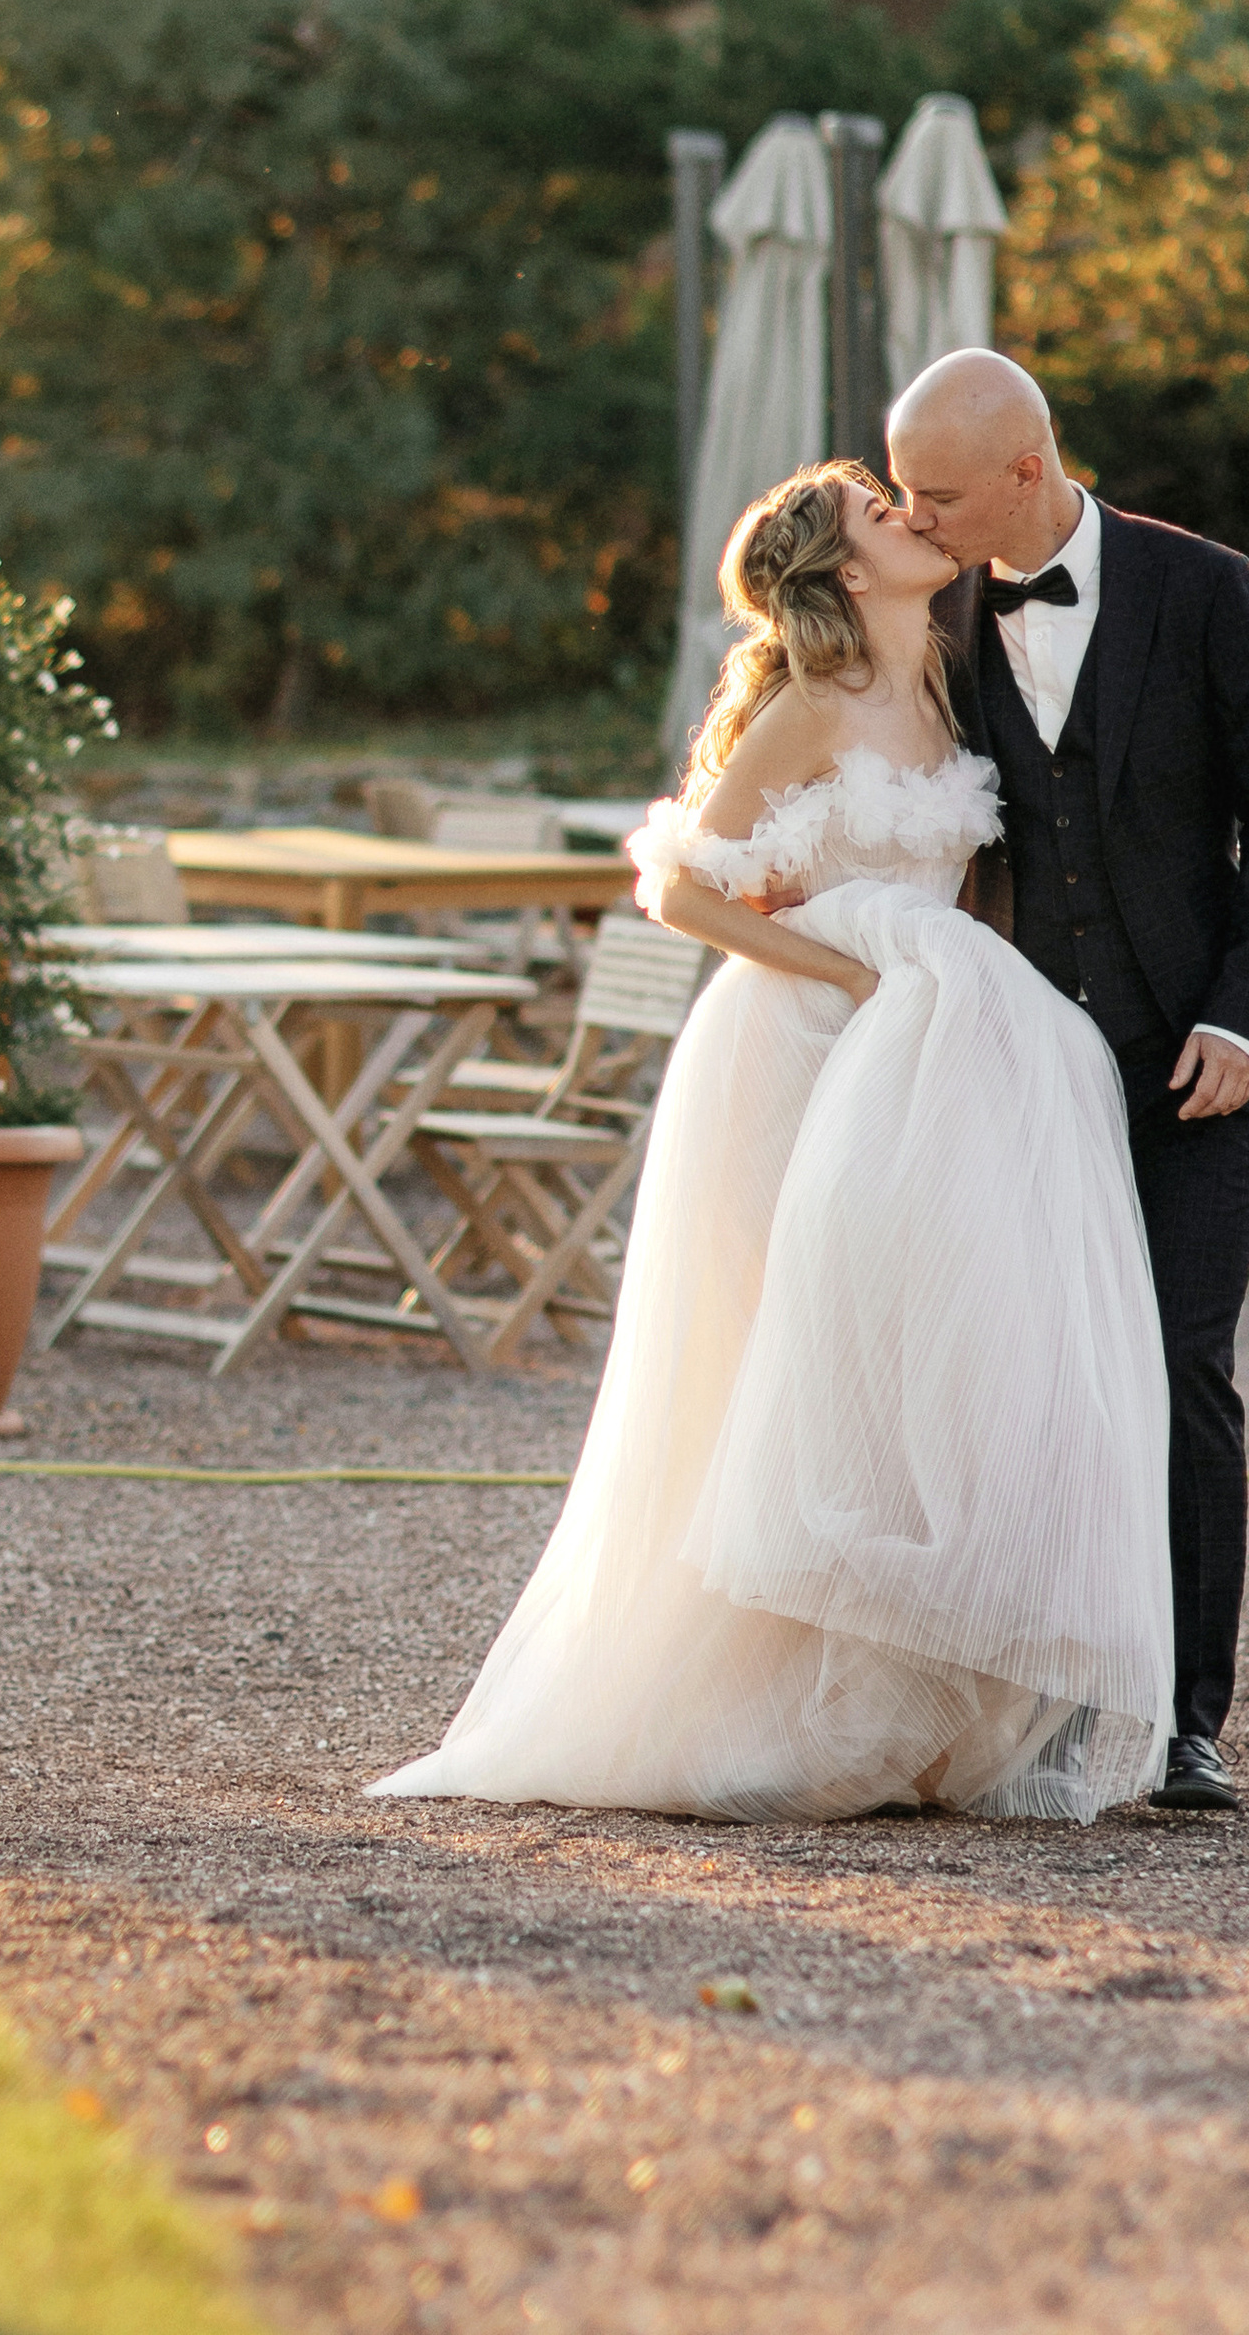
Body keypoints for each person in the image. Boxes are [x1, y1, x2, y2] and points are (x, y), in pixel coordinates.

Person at [372, 460, 1175, 1825]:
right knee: (782, 1360)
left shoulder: (949, 682)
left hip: (927, 1061)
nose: (909, 515)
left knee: (913, 1349)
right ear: (850, 574)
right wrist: (842, 965)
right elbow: (680, 885)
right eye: (880, 510)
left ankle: (901, 1693)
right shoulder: (811, 707)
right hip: (797, 1045)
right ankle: (748, 1705)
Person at [886, 351, 1249, 1813]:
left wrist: (1245, 1020)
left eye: (934, 492)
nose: (911, 513)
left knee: (1178, 1368)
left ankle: (1189, 1718)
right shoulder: (934, 609)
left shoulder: (1203, 587)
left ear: (1027, 470)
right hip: (1029, 1070)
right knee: (1045, 1387)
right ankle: (1067, 1701)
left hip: (1199, 1062)